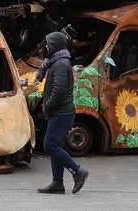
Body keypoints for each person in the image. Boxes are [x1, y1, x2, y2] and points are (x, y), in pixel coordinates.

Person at [36, 31, 89, 194]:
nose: (46, 46)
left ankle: (78, 171)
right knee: (56, 145)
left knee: (49, 145)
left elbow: (58, 91)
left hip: (61, 113)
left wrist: (48, 106)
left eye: (48, 43)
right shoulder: (57, 61)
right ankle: (57, 183)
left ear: (54, 46)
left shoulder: (60, 64)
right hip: (61, 113)